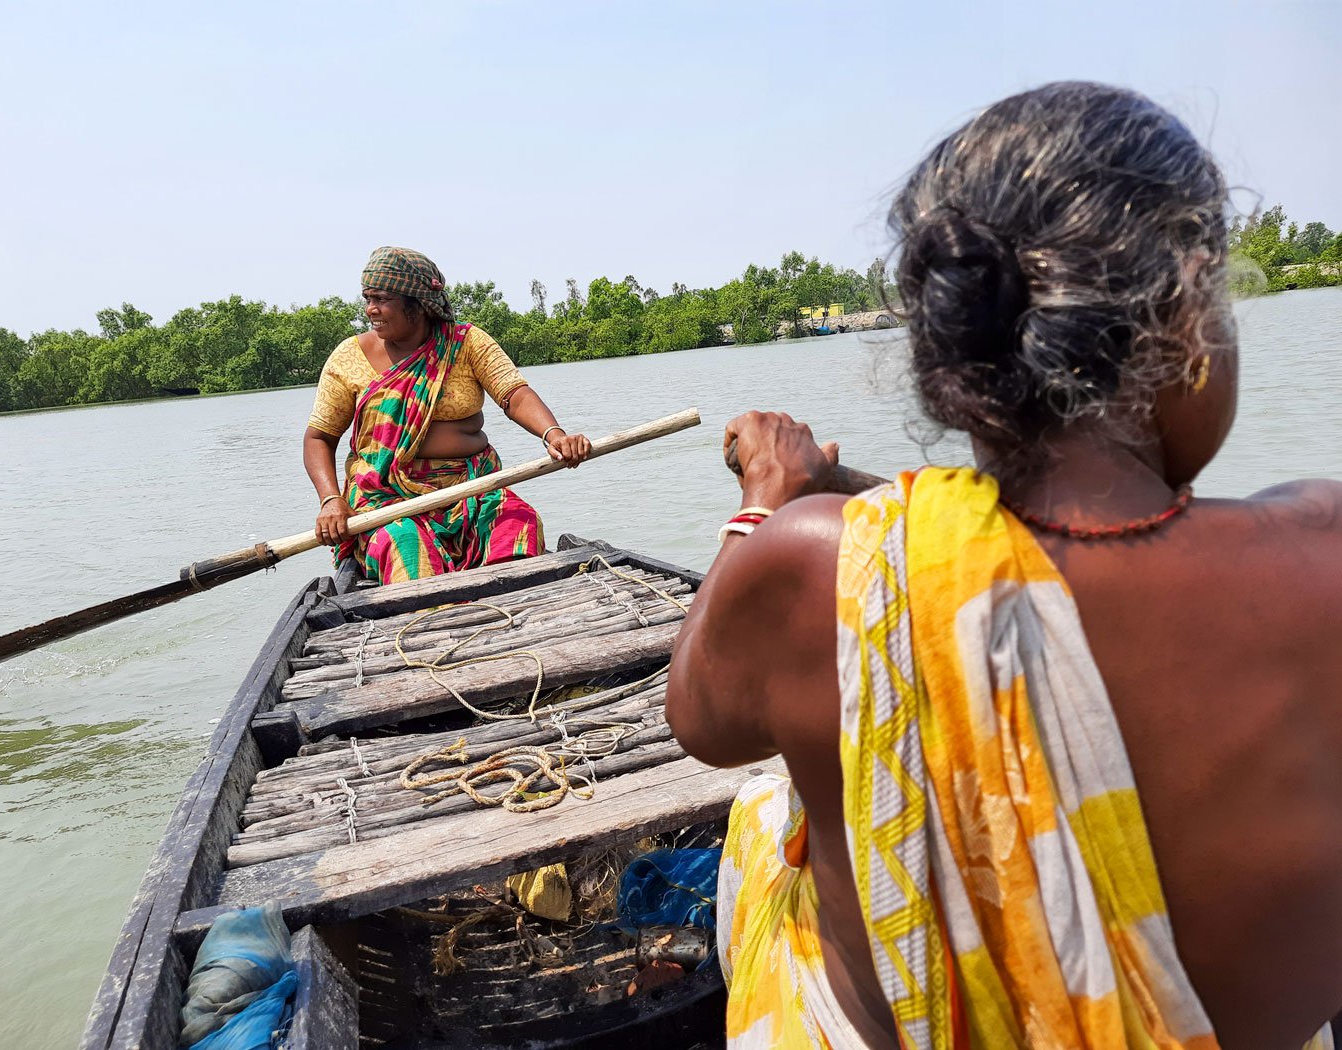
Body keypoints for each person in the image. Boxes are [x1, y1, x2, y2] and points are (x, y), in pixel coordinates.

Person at [667, 82, 1342, 1049]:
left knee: (765, 805)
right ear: (1188, 309)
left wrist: (768, 498)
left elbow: (698, 720)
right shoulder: (1325, 553)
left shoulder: (812, 568)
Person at [303, 247, 590, 583]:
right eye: (367, 298)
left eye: (381, 299)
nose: (371, 310)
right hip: (386, 501)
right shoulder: (349, 357)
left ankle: (515, 609)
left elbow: (514, 394)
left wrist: (554, 435)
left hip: (473, 488)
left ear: (417, 303)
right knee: (406, 549)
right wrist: (331, 500)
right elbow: (319, 437)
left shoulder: (466, 343)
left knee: (516, 520)